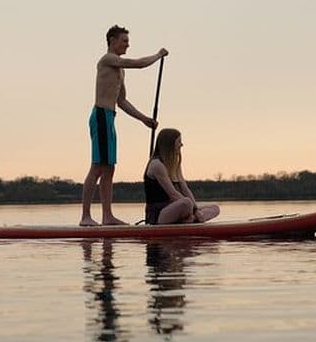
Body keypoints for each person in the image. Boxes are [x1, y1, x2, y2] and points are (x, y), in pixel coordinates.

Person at [80, 25, 168, 226]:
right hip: (100, 116)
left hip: (110, 117)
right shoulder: (108, 59)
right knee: (97, 167)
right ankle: (85, 216)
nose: (128, 44)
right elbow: (137, 63)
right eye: (124, 41)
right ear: (112, 40)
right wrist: (158, 55)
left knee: (109, 168)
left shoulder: (119, 71)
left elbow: (123, 102)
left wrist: (144, 119)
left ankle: (107, 216)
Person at [144, 128, 220, 224]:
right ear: (170, 144)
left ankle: (190, 220)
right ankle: (190, 219)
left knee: (215, 208)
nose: (181, 144)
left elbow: (185, 189)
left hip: (176, 207)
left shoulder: (174, 164)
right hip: (159, 214)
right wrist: (195, 211)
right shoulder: (157, 165)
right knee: (186, 203)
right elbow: (173, 194)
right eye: (179, 141)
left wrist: (196, 209)